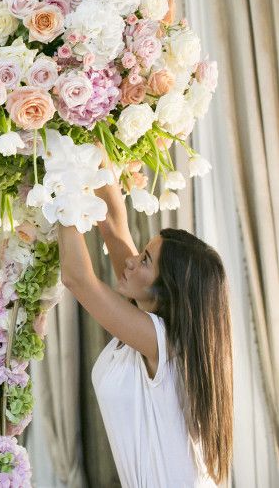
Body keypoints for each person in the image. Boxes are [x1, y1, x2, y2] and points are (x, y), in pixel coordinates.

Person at [58, 164, 233, 487]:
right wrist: (92, 151)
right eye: (141, 254)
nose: (131, 260)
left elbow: (77, 279)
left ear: (168, 290)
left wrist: (60, 179)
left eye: (145, 261)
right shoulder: (149, 323)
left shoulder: (163, 341)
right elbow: (113, 227)